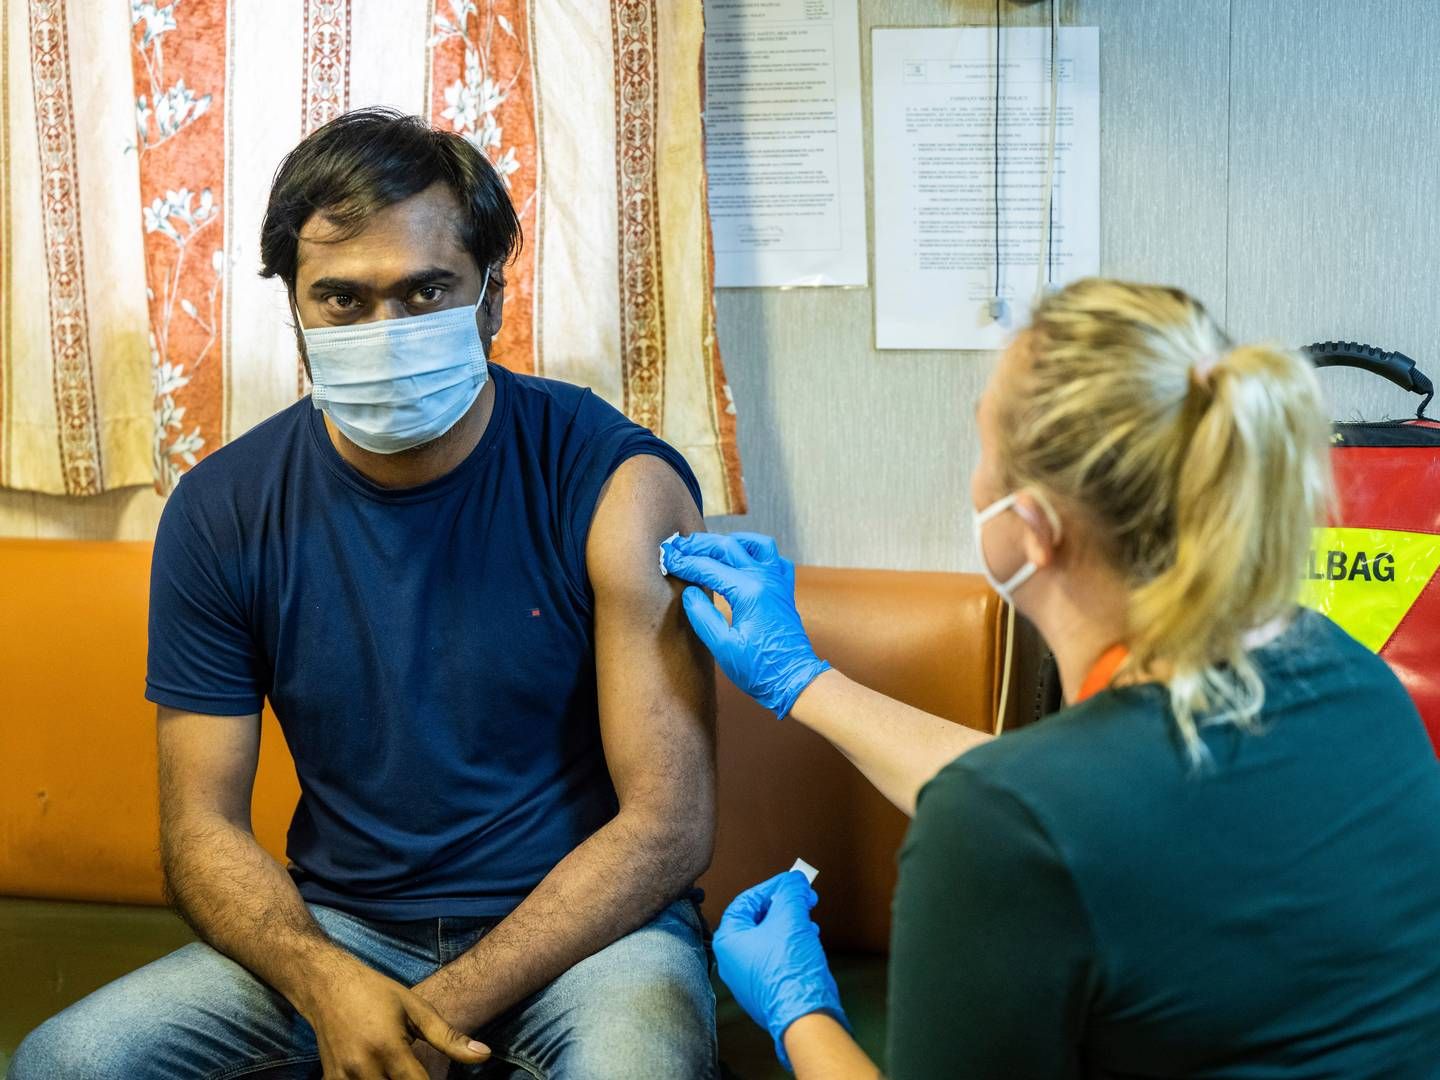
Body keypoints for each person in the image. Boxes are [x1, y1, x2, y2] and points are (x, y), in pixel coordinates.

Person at [11, 109, 718, 1080]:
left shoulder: (616, 487)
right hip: (342, 934)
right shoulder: (222, 511)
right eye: (342, 300)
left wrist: (418, 1021)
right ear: (296, 310)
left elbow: (669, 825)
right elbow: (200, 829)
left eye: (426, 291)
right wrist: (326, 984)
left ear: (491, 298)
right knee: (66, 1061)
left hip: (593, 934)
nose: (386, 332)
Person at [662, 279, 1440, 1078]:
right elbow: (1070, 812)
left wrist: (800, 1015)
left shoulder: (1011, 826)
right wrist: (805, 682)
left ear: (1030, 529)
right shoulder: (1350, 679)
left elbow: (1039, 819)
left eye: (983, 450)